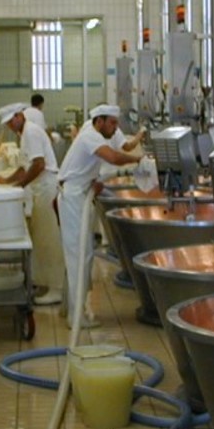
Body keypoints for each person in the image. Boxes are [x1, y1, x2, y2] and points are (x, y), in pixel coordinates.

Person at [56, 104, 143, 328]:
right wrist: (138, 160)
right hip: (73, 198)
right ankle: (76, 317)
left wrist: (93, 181)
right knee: (80, 255)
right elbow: (112, 157)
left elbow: (108, 155)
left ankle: (70, 309)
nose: (116, 128)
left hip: (78, 193)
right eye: (112, 123)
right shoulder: (90, 136)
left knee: (80, 253)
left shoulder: (95, 131)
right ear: (100, 121)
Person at [0, 102, 65, 305]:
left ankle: (56, 288)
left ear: (19, 116)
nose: (10, 126)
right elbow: (24, 167)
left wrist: (20, 186)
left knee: (49, 240)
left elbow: (39, 165)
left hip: (47, 189)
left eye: (11, 121)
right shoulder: (24, 134)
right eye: (7, 124)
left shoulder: (30, 132)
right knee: (41, 239)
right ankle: (44, 282)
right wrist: (6, 181)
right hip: (41, 190)